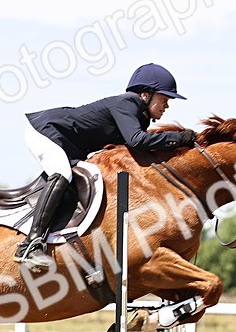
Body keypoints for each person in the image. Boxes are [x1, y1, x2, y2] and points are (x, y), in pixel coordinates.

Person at [14, 63, 197, 270]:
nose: (167, 105)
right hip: (46, 130)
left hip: (70, 146)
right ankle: (30, 245)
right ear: (145, 95)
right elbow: (137, 141)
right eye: (164, 99)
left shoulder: (140, 117)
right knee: (63, 174)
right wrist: (178, 138)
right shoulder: (129, 103)